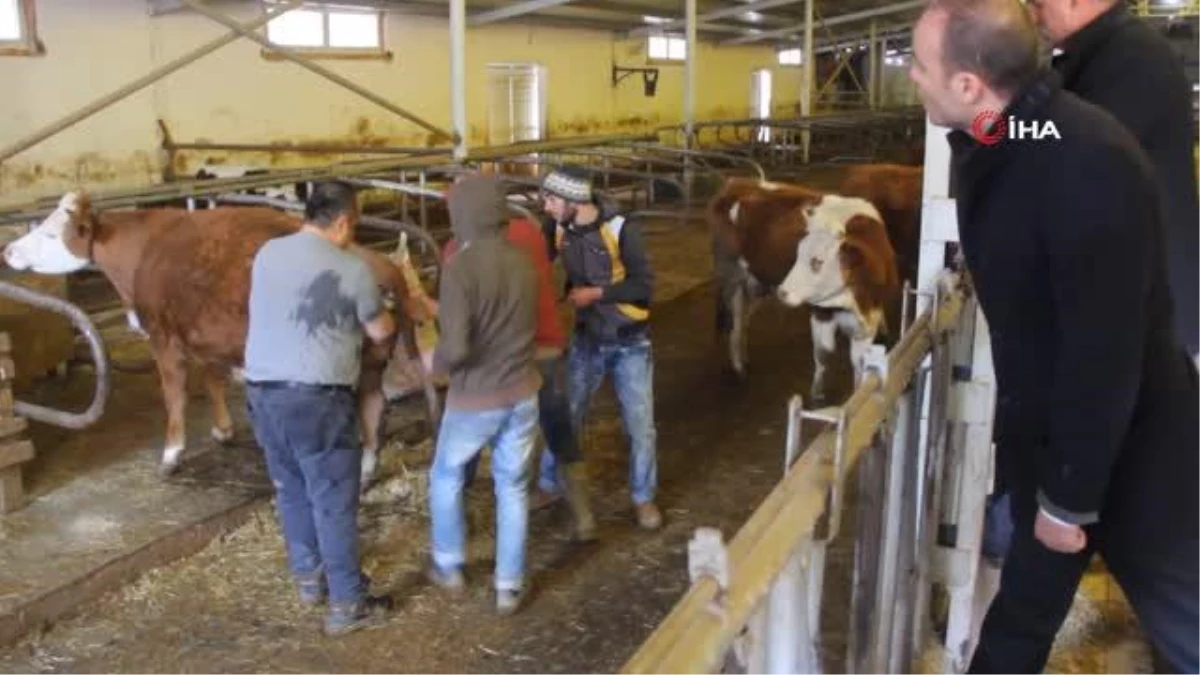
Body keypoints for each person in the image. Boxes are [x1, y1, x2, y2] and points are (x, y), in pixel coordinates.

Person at [907, 0, 1200, 672]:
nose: (912, 79)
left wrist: (1067, 500)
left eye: (919, 67)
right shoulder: (1016, 133)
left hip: (1125, 458)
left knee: (1185, 616)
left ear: (968, 84)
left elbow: (1102, 357)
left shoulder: (1087, 164)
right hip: (1057, 446)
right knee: (1016, 630)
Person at [242, 180, 395, 636]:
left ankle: (309, 580)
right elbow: (381, 332)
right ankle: (348, 603)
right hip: (316, 400)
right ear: (344, 221)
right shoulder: (353, 269)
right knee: (333, 502)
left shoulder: (268, 252)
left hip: (261, 392)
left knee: (290, 488)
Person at [1031, 0, 1200, 370]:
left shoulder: (1131, 60)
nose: (1032, 14)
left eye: (1037, 3)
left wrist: (987, 122)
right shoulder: (1100, 56)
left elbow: (1067, 149)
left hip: (1152, 328)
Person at [424, 175, 542, 616]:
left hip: (476, 398)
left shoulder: (461, 267)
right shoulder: (525, 262)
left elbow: (457, 346)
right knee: (512, 486)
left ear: (463, 215)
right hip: (523, 392)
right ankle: (508, 585)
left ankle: (449, 563)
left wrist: (435, 367)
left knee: (446, 475)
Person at [443, 211, 598, 543]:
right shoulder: (529, 231)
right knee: (558, 428)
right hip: (547, 348)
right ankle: (585, 517)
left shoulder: (457, 251)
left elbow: (464, 321)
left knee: (464, 440)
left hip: (498, 362)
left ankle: (459, 530)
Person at [538, 165, 662, 531]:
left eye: (551, 199)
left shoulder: (623, 228)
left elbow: (644, 285)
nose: (545, 206)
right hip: (588, 336)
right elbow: (536, 260)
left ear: (575, 200)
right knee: (567, 413)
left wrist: (597, 294)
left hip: (630, 339)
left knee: (640, 425)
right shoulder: (557, 227)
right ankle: (548, 484)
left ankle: (643, 497)